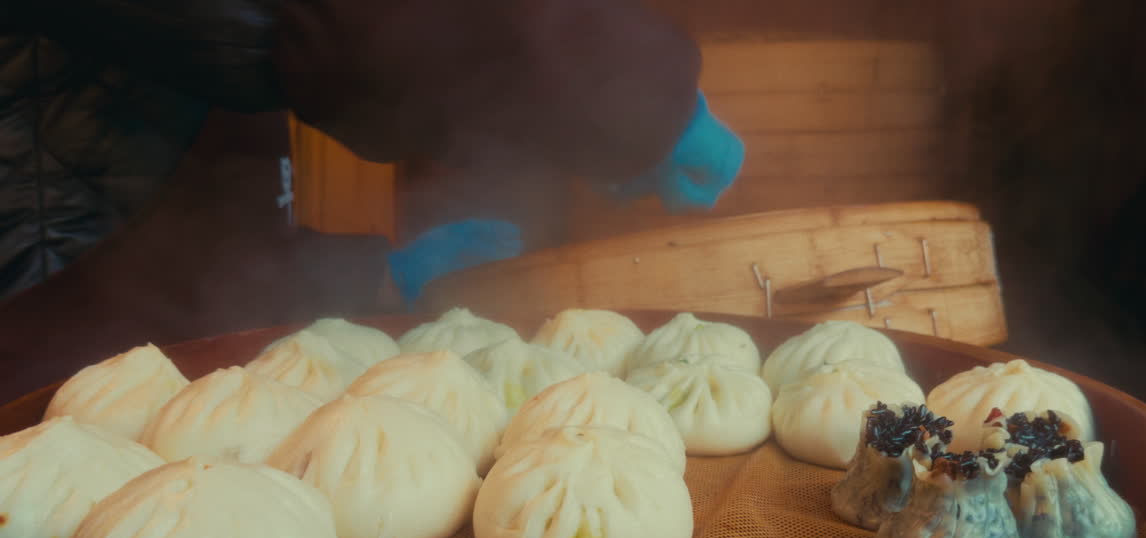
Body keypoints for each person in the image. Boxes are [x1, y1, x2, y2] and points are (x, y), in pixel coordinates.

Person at [0, 0, 743, 397]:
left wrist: (359, 273)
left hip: (115, 232)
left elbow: (205, 261)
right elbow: (366, 19)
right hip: (45, 291)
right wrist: (640, 99)